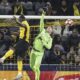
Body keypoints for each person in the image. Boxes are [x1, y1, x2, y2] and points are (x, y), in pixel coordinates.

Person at [0, 15, 30, 80]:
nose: (19, 20)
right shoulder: (22, 25)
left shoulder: (25, 23)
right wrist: (11, 33)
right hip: (25, 43)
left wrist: (15, 20)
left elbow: (21, 25)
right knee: (19, 59)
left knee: (13, 48)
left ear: (22, 19)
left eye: (19, 19)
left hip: (23, 41)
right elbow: (19, 33)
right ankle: (19, 74)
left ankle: (2, 58)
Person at [30, 11, 53, 80]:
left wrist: (44, 43)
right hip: (33, 51)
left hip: (40, 53)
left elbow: (49, 47)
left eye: (50, 27)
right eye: (48, 27)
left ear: (52, 31)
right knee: (31, 66)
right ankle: (37, 73)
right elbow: (41, 22)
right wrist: (43, 14)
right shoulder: (42, 31)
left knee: (37, 67)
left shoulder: (50, 38)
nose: (49, 27)